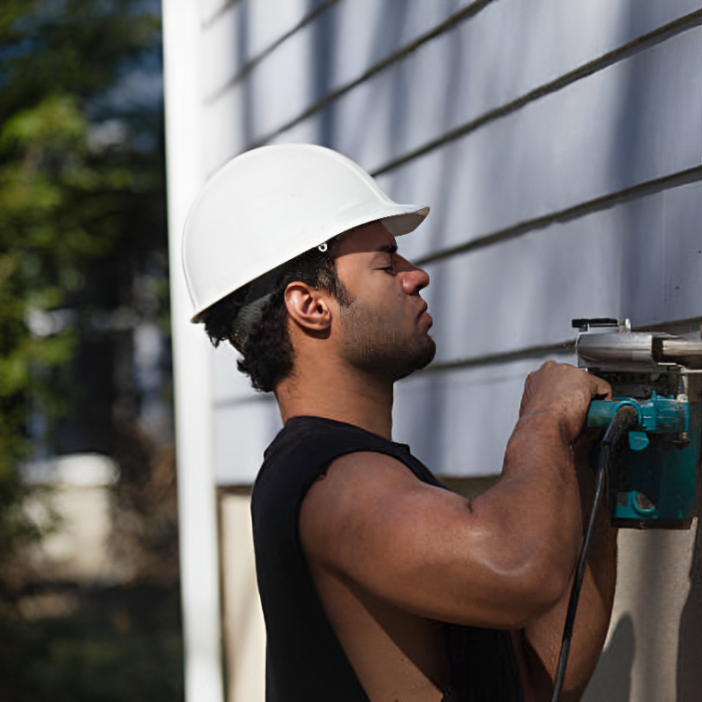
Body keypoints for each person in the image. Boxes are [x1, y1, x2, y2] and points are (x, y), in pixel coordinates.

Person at [181, 144, 617, 701]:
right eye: (387, 263)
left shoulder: (358, 475)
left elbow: (537, 682)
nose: (418, 276)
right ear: (310, 305)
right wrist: (541, 421)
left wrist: (591, 467)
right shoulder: (336, 482)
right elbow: (518, 570)